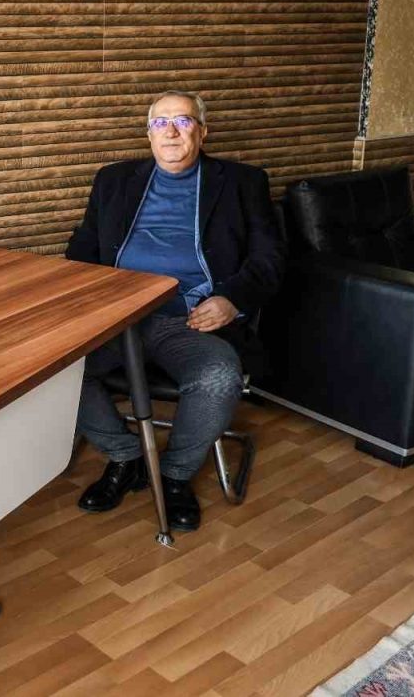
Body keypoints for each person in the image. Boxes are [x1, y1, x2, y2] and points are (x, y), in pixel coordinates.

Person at [64, 90, 284, 532]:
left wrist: (231, 299)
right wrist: (89, 301)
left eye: (183, 121)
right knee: (52, 372)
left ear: (203, 132)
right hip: (117, 318)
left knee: (218, 377)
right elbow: (83, 249)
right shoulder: (113, 180)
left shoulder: (242, 182)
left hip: (189, 319)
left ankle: (175, 474)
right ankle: (126, 457)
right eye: (160, 123)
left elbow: (269, 259)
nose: (170, 132)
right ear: (148, 134)